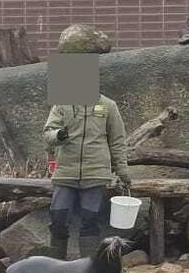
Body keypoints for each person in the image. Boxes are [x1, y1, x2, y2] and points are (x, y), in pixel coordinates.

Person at [44, 94, 131, 261]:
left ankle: (89, 268)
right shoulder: (62, 104)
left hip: (96, 172)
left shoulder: (108, 105)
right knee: (58, 219)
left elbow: (117, 141)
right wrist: (58, 135)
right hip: (65, 173)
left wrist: (123, 171)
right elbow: (48, 133)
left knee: (90, 221)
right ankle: (54, 267)